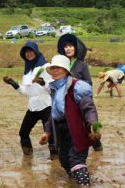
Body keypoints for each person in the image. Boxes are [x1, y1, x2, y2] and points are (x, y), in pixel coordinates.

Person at [39, 55, 101, 187]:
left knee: (76, 159)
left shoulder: (77, 86)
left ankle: (84, 184)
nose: (55, 70)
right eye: (53, 68)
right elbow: (53, 113)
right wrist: (47, 132)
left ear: (66, 70)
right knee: (64, 160)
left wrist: (93, 125)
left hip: (76, 129)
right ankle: (75, 180)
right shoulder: (54, 88)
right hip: (62, 131)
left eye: (58, 68)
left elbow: (89, 108)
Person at [3, 41, 57, 159]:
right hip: (33, 106)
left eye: (31, 51)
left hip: (46, 105)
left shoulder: (46, 67)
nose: (29, 54)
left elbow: (54, 88)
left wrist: (43, 83)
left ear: (36, 51)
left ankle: (55, 156)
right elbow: (26, 92)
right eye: (26, 52)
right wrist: (13, 84)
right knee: (23, 132)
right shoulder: (27, 71)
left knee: (49, 133)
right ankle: (27, 155)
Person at [57, 34, 103, 151]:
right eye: (65, 46)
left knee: (86, 123)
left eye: (71, 46)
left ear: (76, 48)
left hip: (80, 100)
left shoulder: (82, 65)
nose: (68, 48)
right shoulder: (62, 65)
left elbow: (88, 83)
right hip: (66, 101)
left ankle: (96, 144)